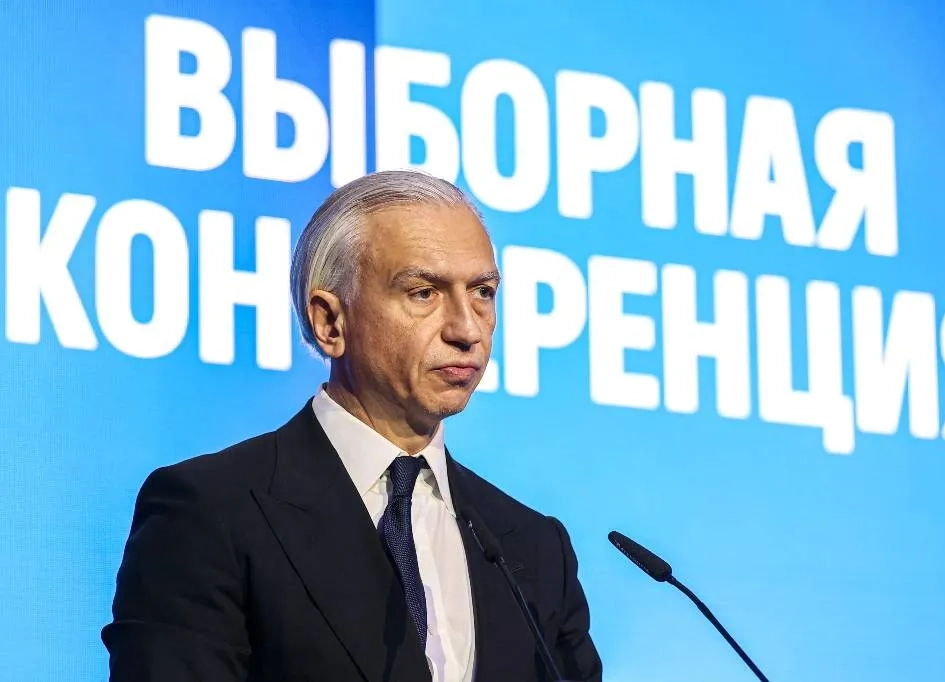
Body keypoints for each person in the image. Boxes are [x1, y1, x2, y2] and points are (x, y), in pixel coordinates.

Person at [101, 169, 602, 682]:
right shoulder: (212, 513)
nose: (467, 329)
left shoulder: (534, 549)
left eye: (483, 292)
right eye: (423, 292)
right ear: (330, 322)